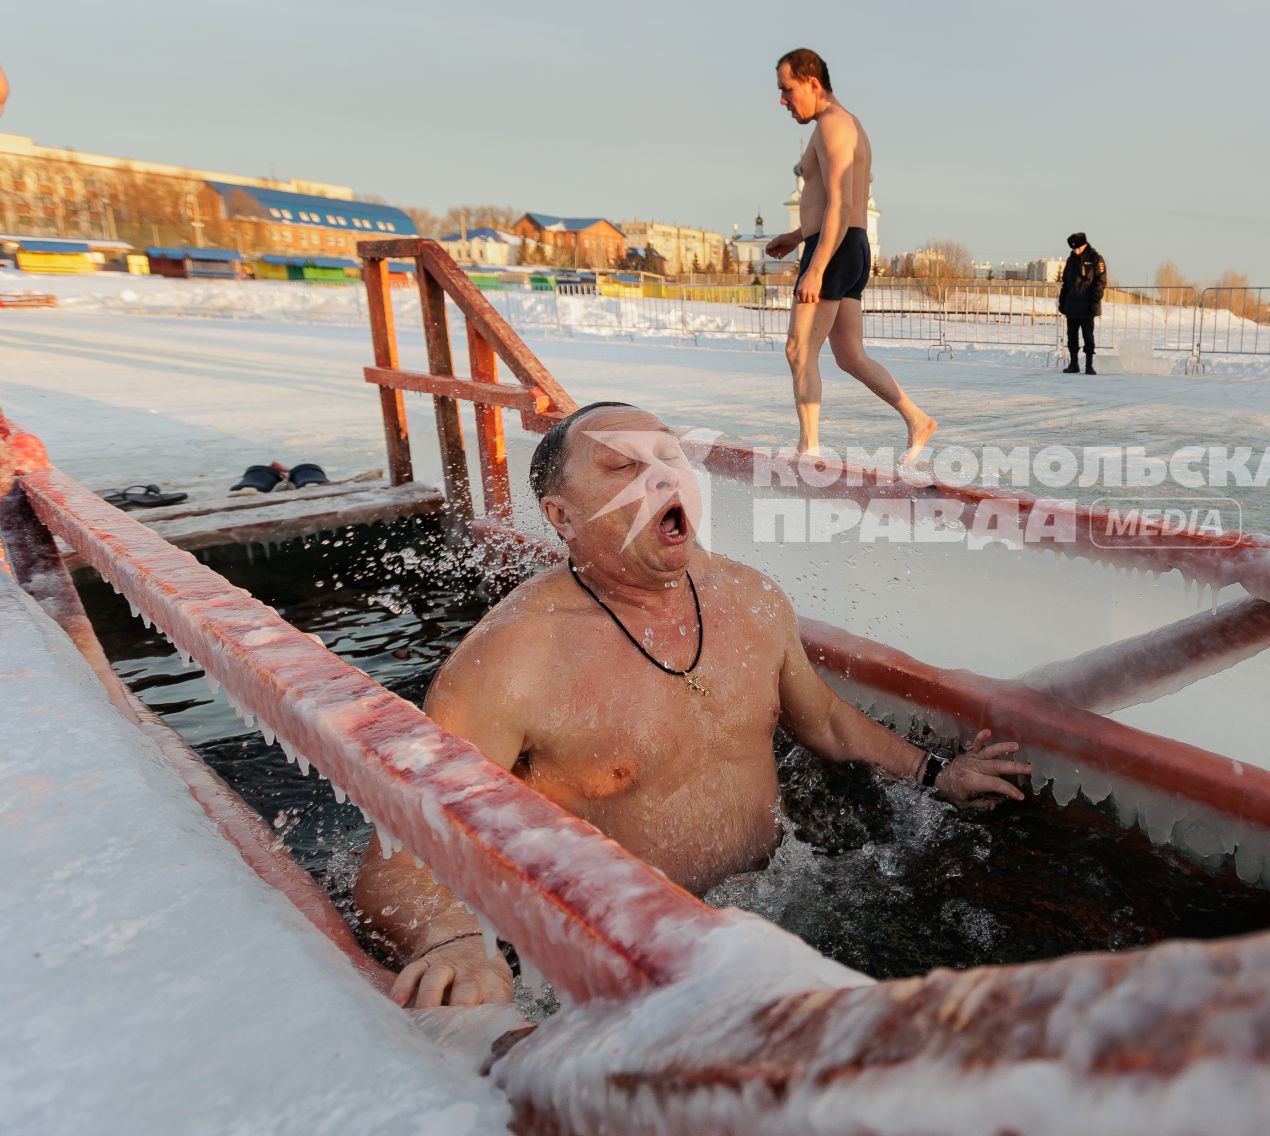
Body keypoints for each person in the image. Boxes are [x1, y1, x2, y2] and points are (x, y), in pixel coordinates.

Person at [352, 402, 1030, 1007]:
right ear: (563, 517)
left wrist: (935, 774)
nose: (660, 478)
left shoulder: (749, 598)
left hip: (790, 911)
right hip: (631, 976)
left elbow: (823, 720)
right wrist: (449, 940)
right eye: (622, 467)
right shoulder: (513, 659)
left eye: (671, 457)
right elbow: (401, 843)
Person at [763, 49, 938, 463]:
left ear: (812, 83)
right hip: (846, 243)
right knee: (849, 355)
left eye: (786, 90)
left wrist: (816, 267)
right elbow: (836, 202)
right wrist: (795, 235)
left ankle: (809, 450)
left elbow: (840, 205)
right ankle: (917, 419)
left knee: (799, 349)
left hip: (835, 247)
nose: (782, 101)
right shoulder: (845, 125)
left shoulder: (832, 127)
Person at [1057, 232, 1106, 374]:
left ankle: (1089, 365)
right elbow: (1066, 283)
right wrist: (1062, 302)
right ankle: (1074, 364)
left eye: (1077, 248)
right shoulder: (1071, 260)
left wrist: (1094, 302)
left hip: (1087, 305)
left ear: (1084, 244)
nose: (1075, 251)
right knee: (1072, 336)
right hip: (1072, 305)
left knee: (1088, 336)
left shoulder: (1095, 258)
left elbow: (1100, 282)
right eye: (1073, 248)